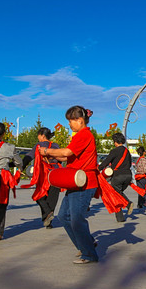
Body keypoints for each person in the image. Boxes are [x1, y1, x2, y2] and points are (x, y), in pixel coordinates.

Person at [39, 106, 99, 264]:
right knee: (64, 216)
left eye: (71, 121)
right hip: (75, 181)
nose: (70, 124)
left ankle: (89, 254)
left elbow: (66, 153)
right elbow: (67, 158)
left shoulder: (84, 134)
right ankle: (86, 244)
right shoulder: (80, 135)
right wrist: (54, 156)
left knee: (76, 219)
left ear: (80, 120)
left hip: (84, 183)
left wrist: (47, 152)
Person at [22, 127, 61, 228]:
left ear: (42, 136)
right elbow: (60, 160)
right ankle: (48, 222)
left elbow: (29, 156)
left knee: (39, 195)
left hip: (44, 173)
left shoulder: (39, 145)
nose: (38, 138)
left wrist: (21, 166)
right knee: (53, 197)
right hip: (56, 173)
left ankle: (47, 214)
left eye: (38, 136)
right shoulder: (56, 146)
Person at [98, 133, 134, 222]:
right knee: (117, 194)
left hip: (118, 176)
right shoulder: (127, 151)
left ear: (115, 142)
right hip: (128, 175)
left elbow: (106, 161)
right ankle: (120, 218)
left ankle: (128, 204)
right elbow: (129, 164)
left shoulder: (114, 151)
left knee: (116, 193)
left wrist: (98, 169)